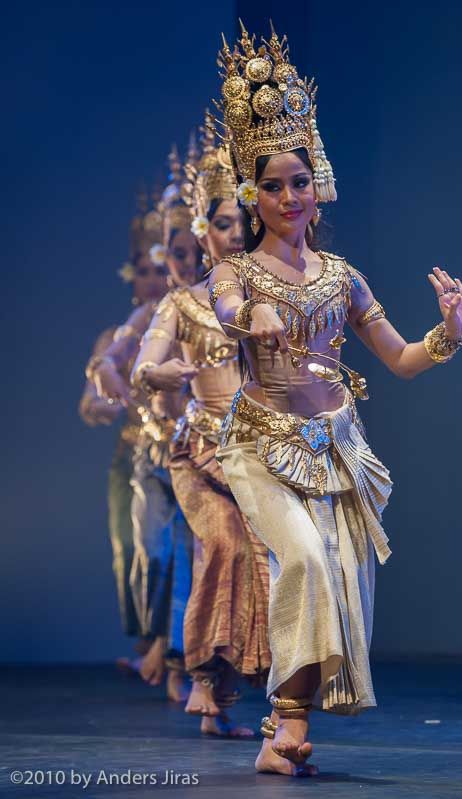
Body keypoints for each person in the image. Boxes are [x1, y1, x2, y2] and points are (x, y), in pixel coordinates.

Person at [209, 22, 462, 776]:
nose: (288, 196)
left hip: (336, 446)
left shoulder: (341, 276)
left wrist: (448, 332)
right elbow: (226, 308)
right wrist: (249, 316)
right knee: (306, 563)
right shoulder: (239, 271)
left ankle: (283, 728)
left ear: (316, 182)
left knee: (338, 575)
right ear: (252, 194)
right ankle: (281, 722)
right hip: (259, 445)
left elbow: (401, 358)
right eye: (272, 185)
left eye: (299, 181)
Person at [131, 112, 270, 737]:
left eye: (242, 223)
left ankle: (244, 696)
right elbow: (143, 366)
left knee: (269, 554)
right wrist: (162, 375)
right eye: (222, 224)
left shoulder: (263, 295)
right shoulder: (180, 303)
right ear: (202, 231)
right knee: (223, 545)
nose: (234, 235)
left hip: (255, 447)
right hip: (197, 450)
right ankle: (205, 681)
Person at [88, 169, 199, 701]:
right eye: (157, 263)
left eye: (181, 256)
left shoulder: (213, 304)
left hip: (202, 449)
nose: (167, 272)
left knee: (192, 557)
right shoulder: (149, 316)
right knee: (148, 552)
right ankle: (161, 650)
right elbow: (107, 370)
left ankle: (181, 664)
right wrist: (112, 381)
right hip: (150, 452)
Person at [79, 187, 171, 668]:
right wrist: (102, 404)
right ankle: (148, 642)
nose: (153, 279)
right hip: (130, 452)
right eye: (145, 270)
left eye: (162, 268)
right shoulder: (116, 339)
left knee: (163, 551)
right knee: (129, 553)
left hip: (175, 452)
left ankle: (166, 649)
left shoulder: (183, 322)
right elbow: (92, 399)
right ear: (131, 277)